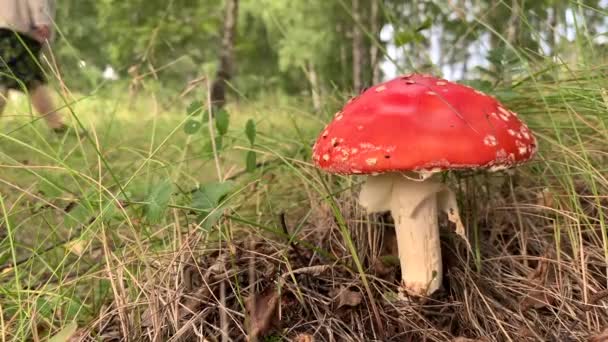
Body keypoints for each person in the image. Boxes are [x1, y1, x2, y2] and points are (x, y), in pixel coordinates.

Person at [0, 0, 68, 134]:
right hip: (16, 28)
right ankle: (56, 125)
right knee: (12, 78)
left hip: (7, 25)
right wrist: (41, 19)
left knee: (28, 79)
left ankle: (56, 125)